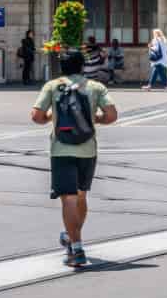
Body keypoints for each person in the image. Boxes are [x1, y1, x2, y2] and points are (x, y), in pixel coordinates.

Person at [31, 46, 118, 268]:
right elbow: (111, 115)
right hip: (87, 149)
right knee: (80, 196)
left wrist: (52, 116)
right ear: (82, 65)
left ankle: (77, 250)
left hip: (61, 149)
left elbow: (37, 116)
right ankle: (71, 237)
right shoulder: (96, 87)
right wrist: (94, 119)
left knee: (67, 199)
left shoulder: (53, 86)